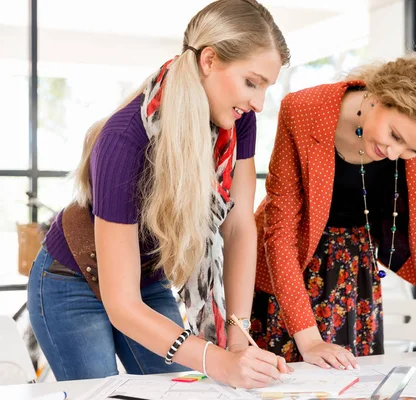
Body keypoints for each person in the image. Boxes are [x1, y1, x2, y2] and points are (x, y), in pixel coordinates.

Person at [27, 0, 291, 388]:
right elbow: (123, 305)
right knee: (103, 393)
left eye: (266, 87)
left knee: (185, 389)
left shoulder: (240, 121)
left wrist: (236, 336)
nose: (258, 103)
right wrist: (216, 359)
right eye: (252, 82)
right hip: (71, 280)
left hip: (146, 280)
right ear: (210, 61)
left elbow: (237, 227)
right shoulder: (122, 140)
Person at [251, 55, 416, 370]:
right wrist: (309, 338)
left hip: (355, 269)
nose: (396, 153)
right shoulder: (302, 109)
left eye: (412, 150)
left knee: (356, 377)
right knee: (290, 377)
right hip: (288, 266)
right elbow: (281, 231)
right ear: (380, 96)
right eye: (395, 136)